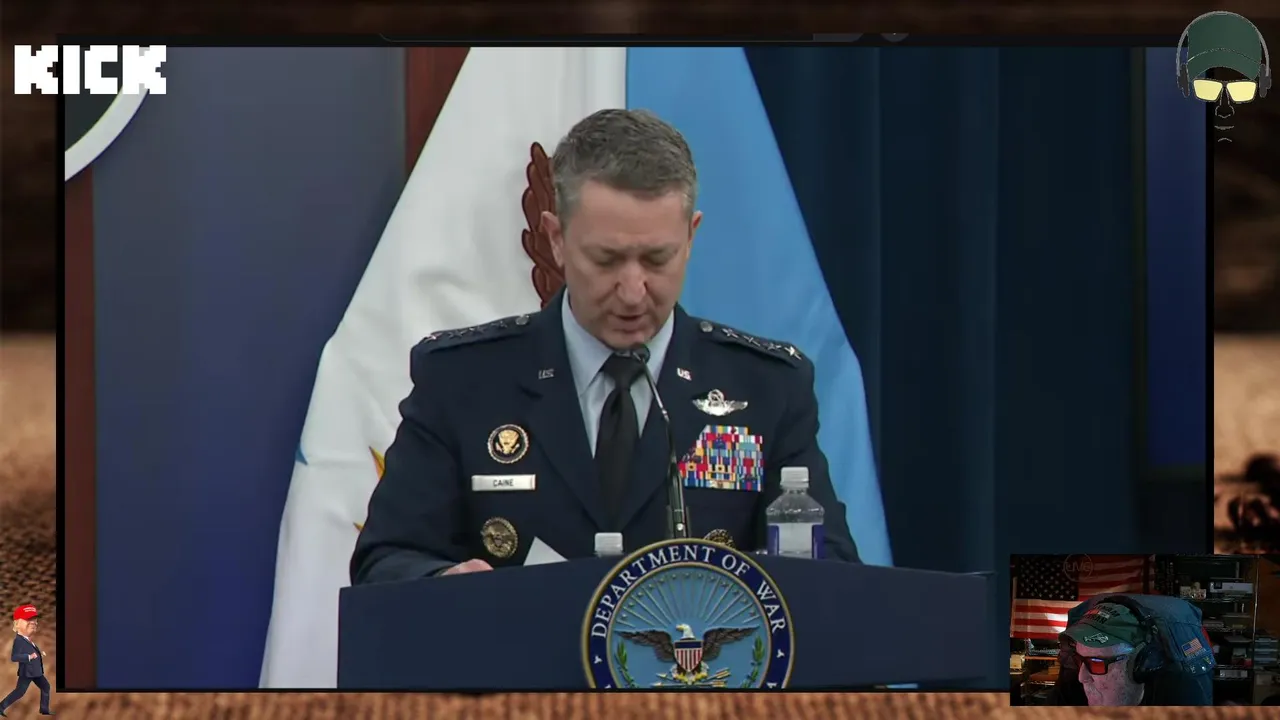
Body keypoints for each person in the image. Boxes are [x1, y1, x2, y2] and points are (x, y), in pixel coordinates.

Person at [351, 108, 859, 583]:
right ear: (556, 239)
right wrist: (444, 584)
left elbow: (829, 573)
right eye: (606, 260)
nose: (633, 291)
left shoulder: (766, 388)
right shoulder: (463, 381)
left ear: (691, 237)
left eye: (657, 259)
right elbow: (387, 559)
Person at [1047, 598, 1212, 706]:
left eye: (1096, 663)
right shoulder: (1069, 693)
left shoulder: (1182, 698)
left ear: (1140, 665)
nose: (1081, 678)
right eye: (1078, 659)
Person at [0, 604, 53, 716]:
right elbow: (14, 657)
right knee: (20, 692)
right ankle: (1, 706)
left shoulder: (28, 640)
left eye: (34, 620)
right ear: (17, 624)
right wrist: (29, 657)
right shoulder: (18, 640)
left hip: (36, 672)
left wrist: (39, 654)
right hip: (27, 673)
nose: (33, 622)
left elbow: (32, 652)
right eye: (28, 619)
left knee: (46, 687)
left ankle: (44, 709)